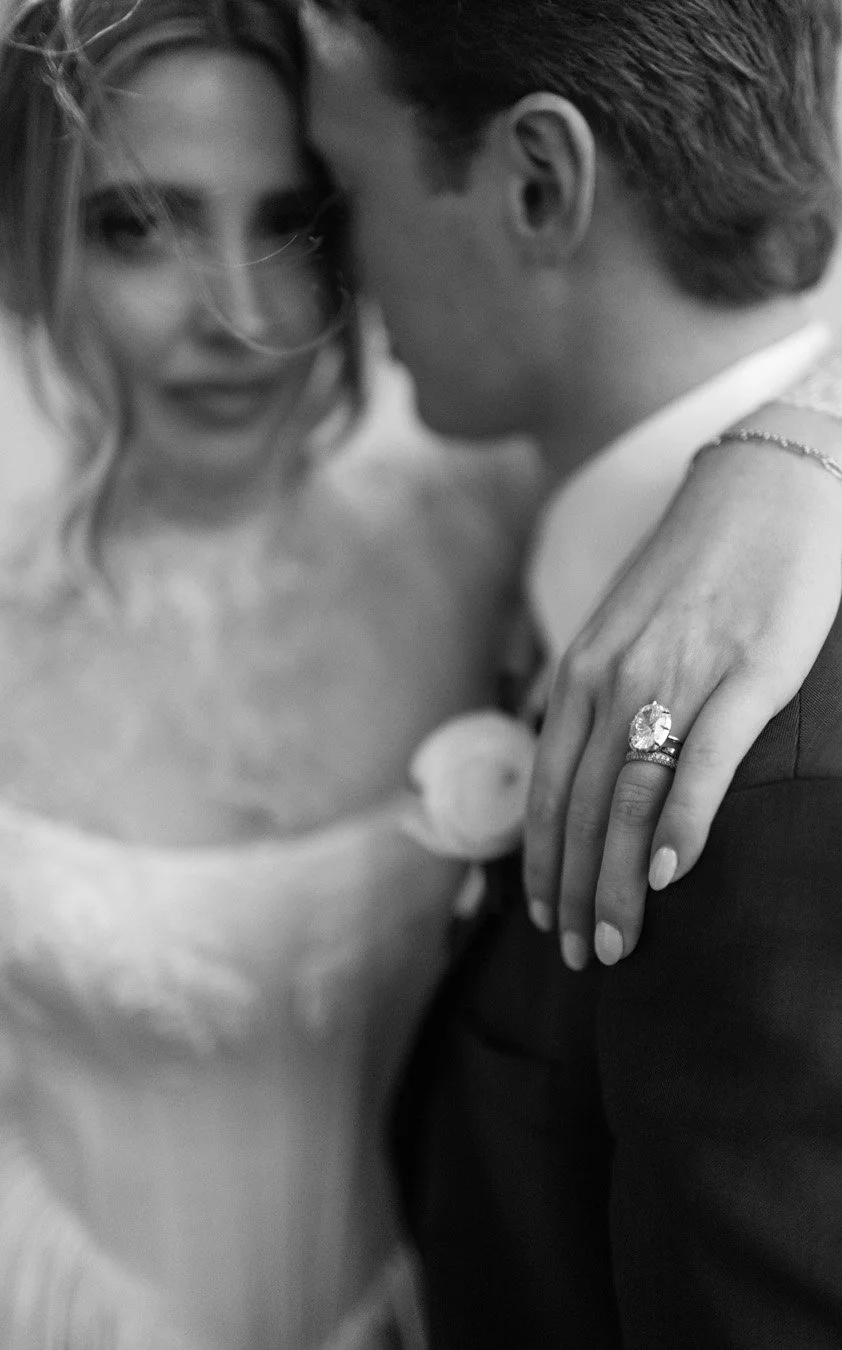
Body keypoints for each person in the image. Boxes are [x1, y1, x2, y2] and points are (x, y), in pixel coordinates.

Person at [303, 0, 842, 1345]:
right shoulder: (514, 536)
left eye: (349, 187)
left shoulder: (777, 777)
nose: (337, 268)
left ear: (538, 183)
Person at [0, 0, 540, 1343]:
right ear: (26, 247)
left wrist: (790, 480)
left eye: (293, 218)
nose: (237, 314)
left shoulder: (481, 530)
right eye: (138, 225)